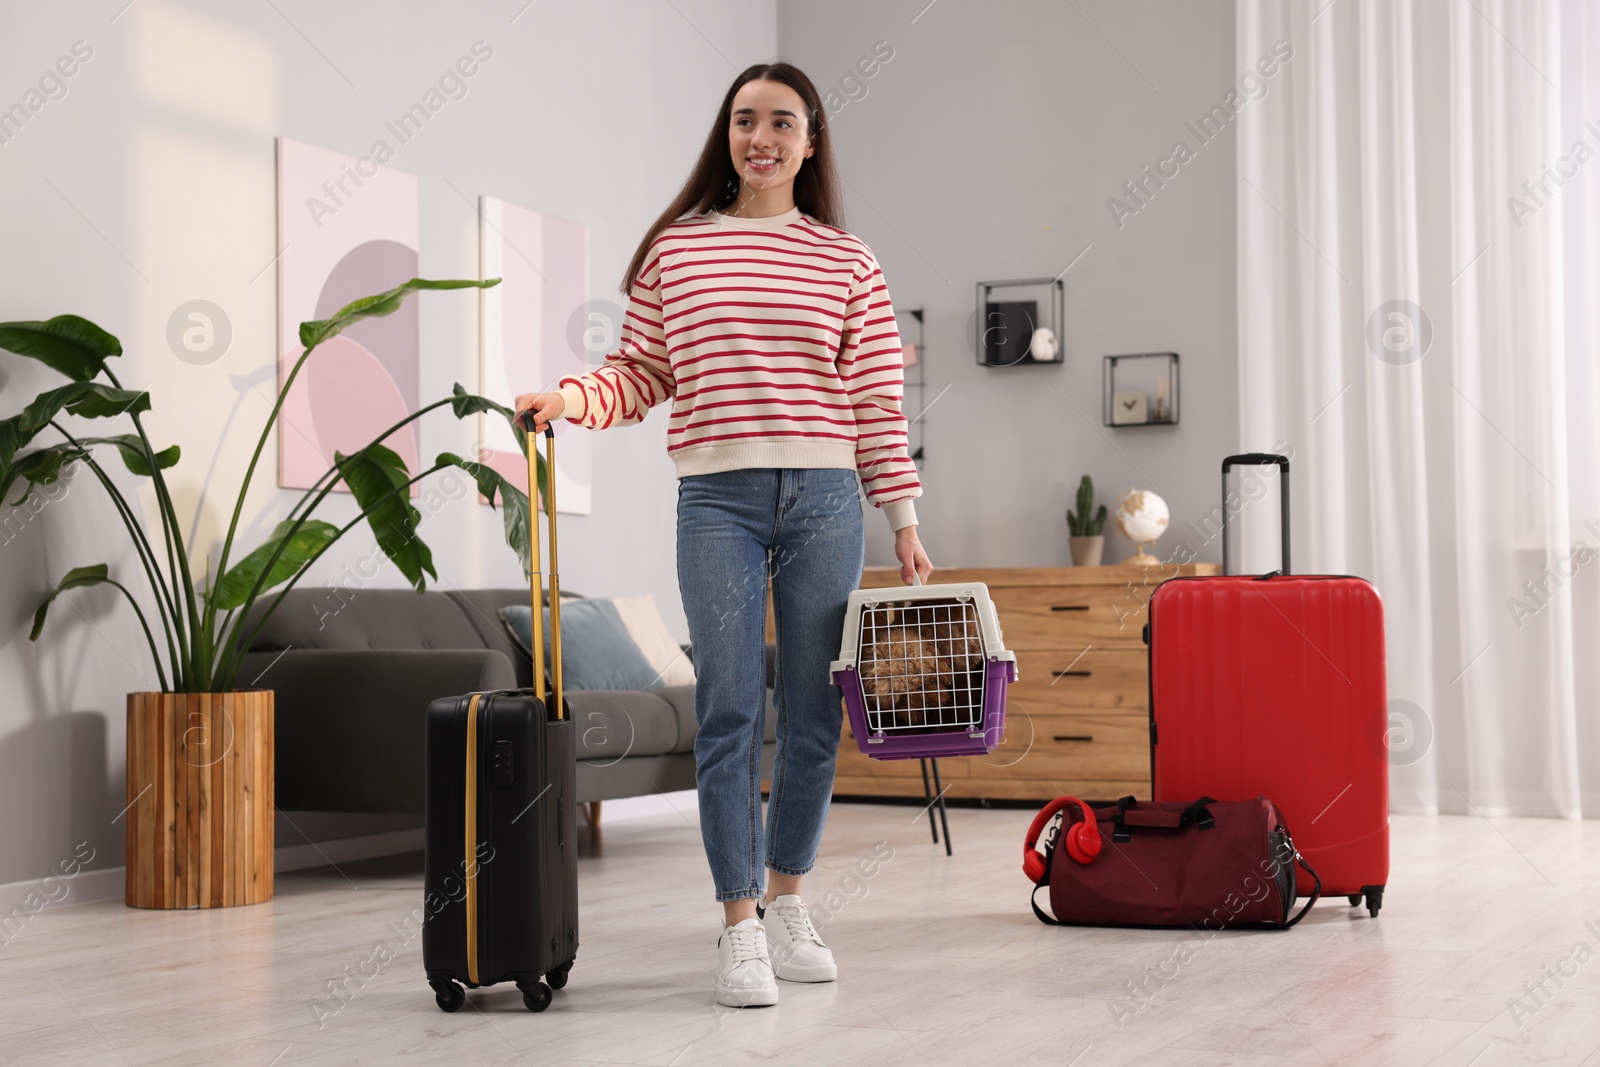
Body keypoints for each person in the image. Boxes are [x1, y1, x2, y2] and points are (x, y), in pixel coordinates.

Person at [513, 61, 932, 1009]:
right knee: (732, 706)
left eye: (782, 123)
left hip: (827, 497)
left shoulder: (847, 260)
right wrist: (568, 398)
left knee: (816, 712)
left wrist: (901, 519)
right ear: (727, 135)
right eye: (746, 121)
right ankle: (738, 924)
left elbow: (875, 401)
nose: (762, 138)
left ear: (811, 141)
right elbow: (637, 372)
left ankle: (790, 898)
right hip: (718, 500)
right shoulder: (680, 250)